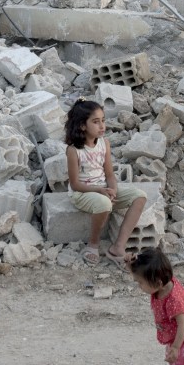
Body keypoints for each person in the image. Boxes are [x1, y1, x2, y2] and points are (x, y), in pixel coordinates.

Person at [65, 99, 147, 268]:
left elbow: (109, 174)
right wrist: (101, 191)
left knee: (139, 196)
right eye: (96, 122)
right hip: (83, 193)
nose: (102, 126)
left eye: (103, 120)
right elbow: (75, 185)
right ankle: (93, 245)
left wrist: (113, 189)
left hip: (103, 187)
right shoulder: (74, 151)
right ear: (82, 126)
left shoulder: (104, 144)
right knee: (104, 203)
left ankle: (118, 247)